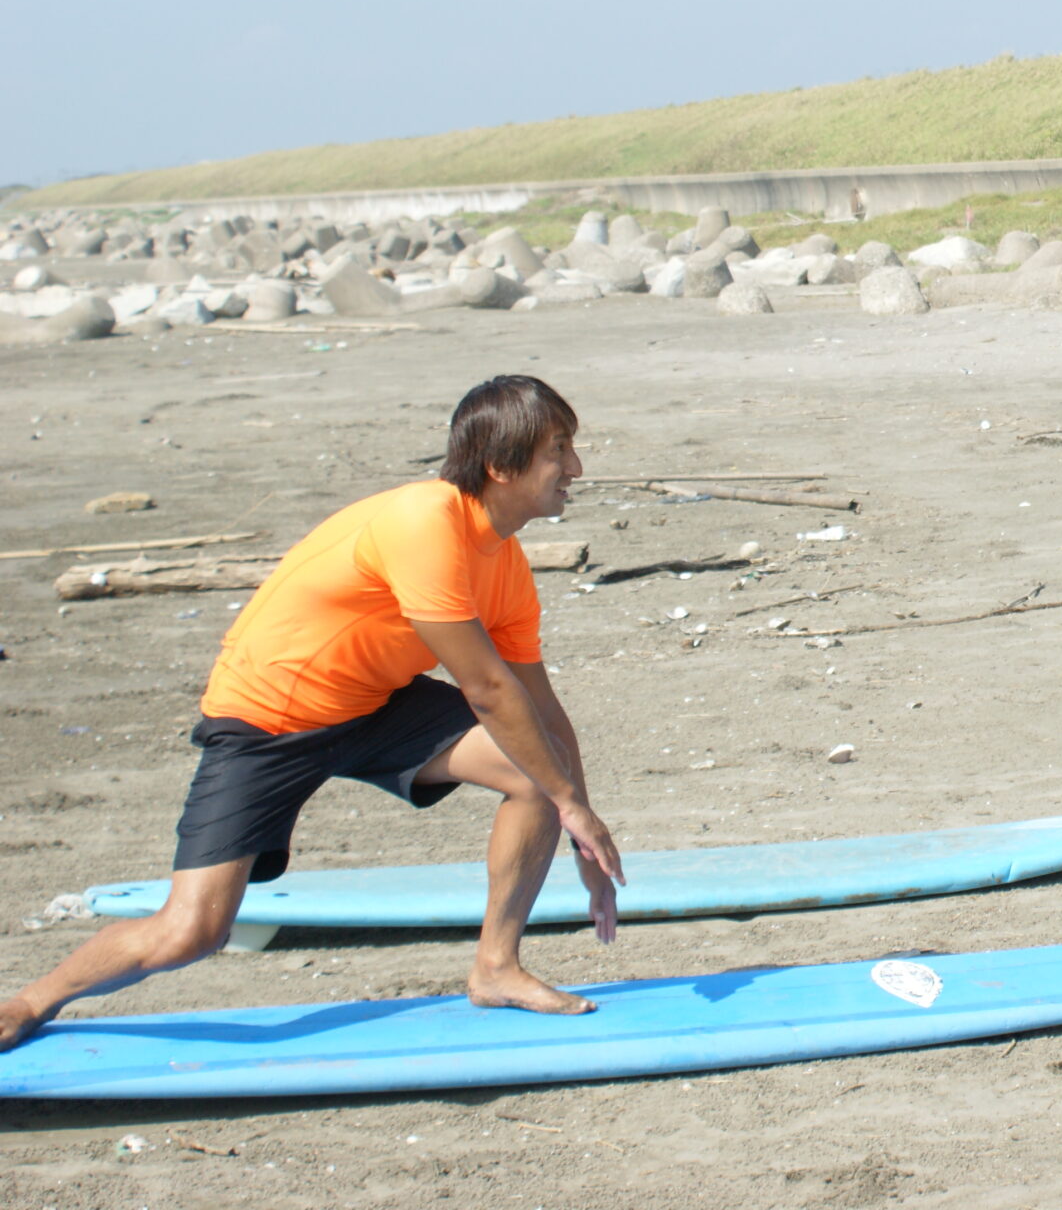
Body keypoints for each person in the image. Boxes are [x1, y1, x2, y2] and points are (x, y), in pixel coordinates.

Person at [0, 375, 625, 1051]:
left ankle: (496, 967)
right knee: (191, 931)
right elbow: (488, 690)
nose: (575, 467)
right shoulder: (425, 521)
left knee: (533, 771)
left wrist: (582, 831)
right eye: (558, 450)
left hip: (370, 704)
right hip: (267, 717)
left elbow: (541, 711)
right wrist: (571, 804)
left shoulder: (505, 565)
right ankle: (30, 1001)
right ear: (501, 466)